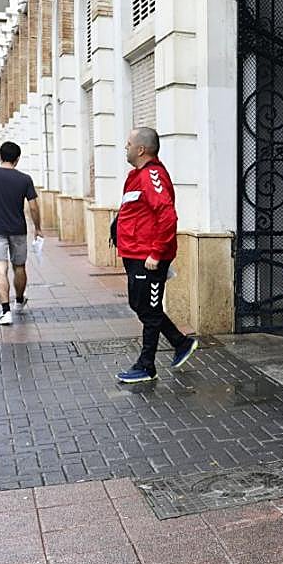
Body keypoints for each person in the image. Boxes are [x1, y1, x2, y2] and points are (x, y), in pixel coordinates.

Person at [114, 127, 197, 383]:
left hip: (148, 258)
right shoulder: (135, 176)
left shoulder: (152, 175)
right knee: (139, 305)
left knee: (149, 310)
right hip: (134, 254)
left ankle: (147, 366)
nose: (125, 148)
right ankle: (180, 342)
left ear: (141, 149)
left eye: (128, 144)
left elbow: (167, 215)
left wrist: (156, 253)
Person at [0, 141, 42, 326]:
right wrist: (38, 228)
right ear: (17, 159)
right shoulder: (24, 179)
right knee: (19, 267)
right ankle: (19, 301)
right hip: (18, 229)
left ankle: (5, 311)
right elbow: (34, 207)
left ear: (0, 156)